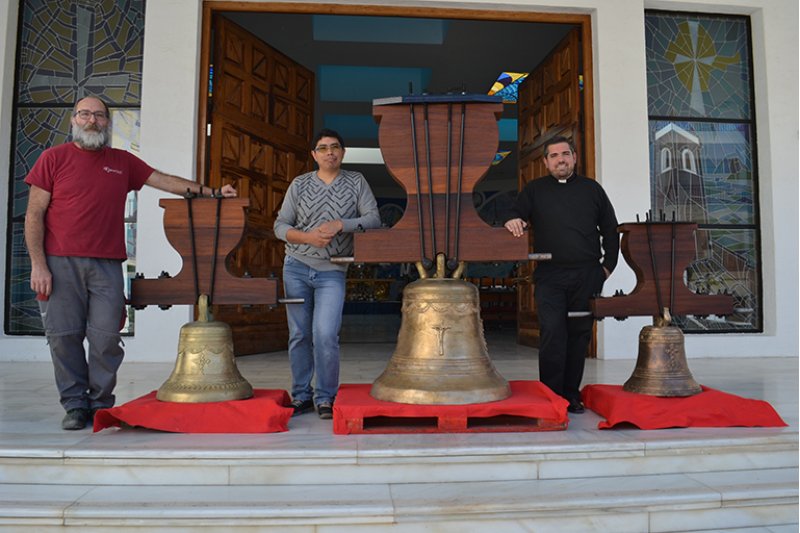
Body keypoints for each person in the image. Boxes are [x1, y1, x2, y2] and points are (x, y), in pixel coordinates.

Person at [24, 95, 237, 430]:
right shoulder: (53, 159)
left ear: (107, 122)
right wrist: (38, 264)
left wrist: (210, 192)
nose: (91, 120)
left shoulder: (122, 161)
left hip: (108, 264)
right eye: (84, 114)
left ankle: (99, 403)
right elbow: (34, 214)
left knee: (107, 335)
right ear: (73, 120)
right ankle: (76, 404)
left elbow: (163, 180)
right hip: (59, 263)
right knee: (63, 337)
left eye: (98, 115)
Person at [504, 136, 619, 414]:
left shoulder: (592, 190)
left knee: (579, 336)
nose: (560, 160)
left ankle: (572, 394)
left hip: (587, 275)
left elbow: (611, 230)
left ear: (575, 157)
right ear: (545, 162)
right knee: (553, 334)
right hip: (550, 276)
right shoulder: (534, 190)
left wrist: (607, 268)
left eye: (565, 154)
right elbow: (515, 213)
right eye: (554, 156)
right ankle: (552, 395)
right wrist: (513, 219)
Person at [274, 129, 380, 419]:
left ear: (343, 152)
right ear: (314, 155)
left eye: (335, 147)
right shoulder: (299, 184)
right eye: (322, 148)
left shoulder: (356, 181)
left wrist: (340, 225)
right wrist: (308, 238)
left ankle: (325, 397)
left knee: (325, 334)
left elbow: (373, 219)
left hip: (333, 270)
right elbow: (280, 226)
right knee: (298, 334)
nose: (329, 152)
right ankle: (301, 396)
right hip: (295, 267)